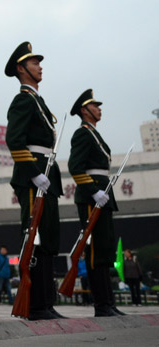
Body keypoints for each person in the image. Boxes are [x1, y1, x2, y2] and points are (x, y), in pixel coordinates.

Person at [5, 41, 63, 320]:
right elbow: (14, 142)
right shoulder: (23, 100)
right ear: (21, 68)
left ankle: (46, 302)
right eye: (34, 62)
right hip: (33, 177)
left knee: (48, 238)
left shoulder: (37, 100)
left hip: (45, 174)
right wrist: (34, 172)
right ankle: (36, 304)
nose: (40, 67)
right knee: (34, 238)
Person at [68, 89, 124, 316]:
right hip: (93, 198)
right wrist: (93, 191)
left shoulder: (94, 134)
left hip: (103, 195)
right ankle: (101, 304)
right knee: (95, 252)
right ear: (84, 110)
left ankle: (109, 302)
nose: (99, 109)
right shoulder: (82, 134)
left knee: (105, 250)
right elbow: (75, 167)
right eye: (95, 106)